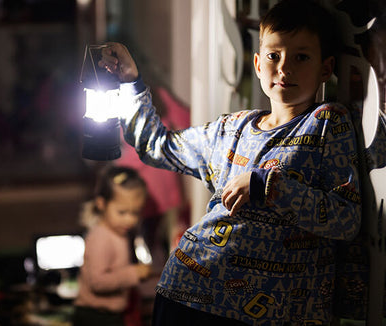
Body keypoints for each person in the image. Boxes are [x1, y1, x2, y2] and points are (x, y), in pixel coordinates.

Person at [97, 0, 362, 325]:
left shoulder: (327, 123)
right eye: (273, 55)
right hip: (186, 295)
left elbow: (346, 219)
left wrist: (266, 186)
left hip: (269, 316)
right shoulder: (231, 128)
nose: (284, 68)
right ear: (256, 63)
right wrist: (131, 82)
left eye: (301, 57)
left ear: (325, 68)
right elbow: (156, 146)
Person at [73, 166, 153, 326]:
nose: (129, 220)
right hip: (95, 317)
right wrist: (134, 274)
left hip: (110, 315)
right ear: (101, 204)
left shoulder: (120, 233)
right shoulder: (101, 237)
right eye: (122, 212)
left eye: (135, 212)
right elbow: (98, 282)